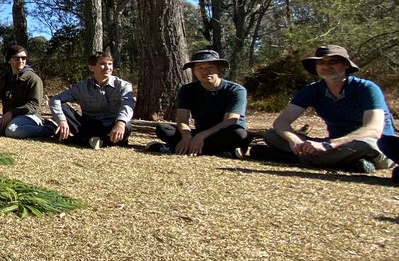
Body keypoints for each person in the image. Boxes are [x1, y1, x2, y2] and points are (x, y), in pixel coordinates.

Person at [257, 44, 393, 173]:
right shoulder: (312, 90)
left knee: (367, 144)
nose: (326, 66)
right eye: (320, 63)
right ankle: (346, 162)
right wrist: (295, 140)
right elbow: (281, 122)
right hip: (334, 147)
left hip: (375, 146)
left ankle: (301, 159)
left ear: (346, 65)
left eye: (333, 62)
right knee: (271, 135)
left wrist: (329, 145)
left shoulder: (366, 88)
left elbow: (373, 130)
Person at [149, 49, 251, 157]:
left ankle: (174, 148)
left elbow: (230, 121)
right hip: (200, 133)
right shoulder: (187, 90)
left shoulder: (236, 90)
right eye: (200, 68)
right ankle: (224, 152)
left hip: (223, 133)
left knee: (239, 133)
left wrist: (201, 136)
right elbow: (182, 119)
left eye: (210, 67)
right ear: (194, 71)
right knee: (163, 129)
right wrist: (186, 136)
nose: (205, 72)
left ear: (218, 69)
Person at [49, 51, 135, 148]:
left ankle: (83, 141)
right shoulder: (82, 87)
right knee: (62, 105)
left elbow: (128, 105)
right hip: (87, 126)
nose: (108, 68)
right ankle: (104, 142)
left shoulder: (124, 86)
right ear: (91, 67)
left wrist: (120, 123)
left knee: (126, 126)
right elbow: (55, 99)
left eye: (110, 64)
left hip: (111, 126)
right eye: (102, 64)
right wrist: (62, 121)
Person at [0, 45, 53, 138]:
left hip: (29, 116)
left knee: (12, 130)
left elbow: (34, 104)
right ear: (9, 60)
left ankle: (48, 129)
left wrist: (12, 113)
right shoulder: (5, 78)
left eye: (23, 58)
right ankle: (13, 129)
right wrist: (8, 115)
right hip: (11, 117)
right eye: (16, 58)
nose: (20, 61)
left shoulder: (33, 79)